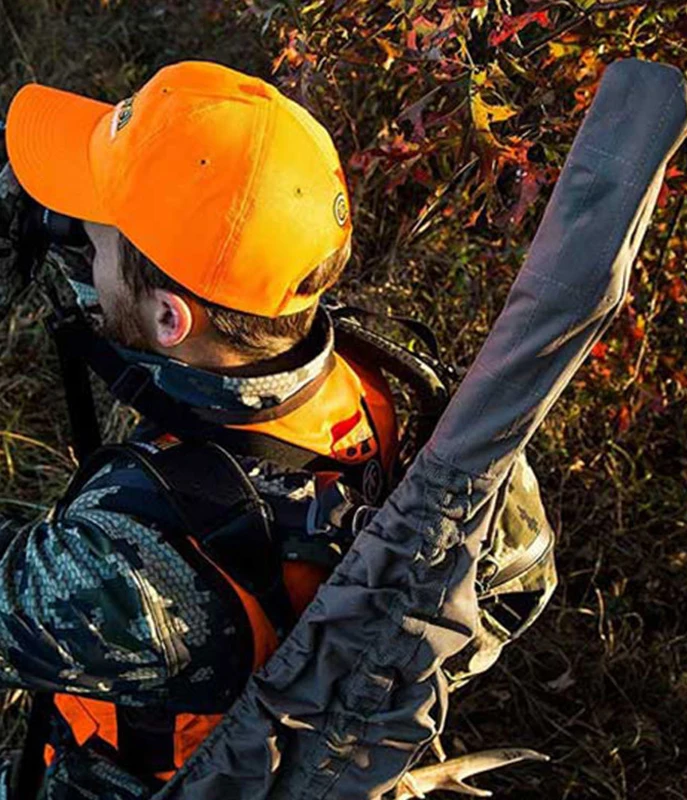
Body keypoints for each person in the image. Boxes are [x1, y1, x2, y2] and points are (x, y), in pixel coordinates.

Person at [0, 60, 404, 798]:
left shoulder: (132, 558)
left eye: (98, 239)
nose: (80, 242)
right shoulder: (391, 386)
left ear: (169, 319)